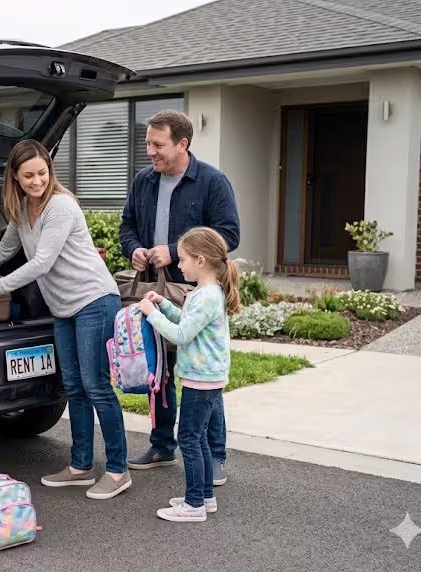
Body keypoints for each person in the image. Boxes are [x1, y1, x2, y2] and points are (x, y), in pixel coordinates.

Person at [0, 139, 131, 500]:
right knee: (75, 387)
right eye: (29, 176)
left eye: (42, 173)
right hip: (63, 308)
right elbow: (5, 250)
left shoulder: (60, 206)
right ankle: (80, 466)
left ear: (51, 172)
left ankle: (118, 470)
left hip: (94, 300)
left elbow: (41, 263)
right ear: (15, 179)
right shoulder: (21, 209)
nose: (37, 182)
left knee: (96, 386)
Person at [119, 109, 240, 486]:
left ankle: (214, 454)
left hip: (192, 291)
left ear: (182, 144)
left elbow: (229, 236)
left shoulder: (212, 182)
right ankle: (162, 445)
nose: (150, 152)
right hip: (155, 291)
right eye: (148, 144)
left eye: (158, 145)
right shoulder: (143, 180)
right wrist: (135, 249)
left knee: (202, 375)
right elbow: (127, 226)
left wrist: (173, 251)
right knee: (160, 371)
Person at [137, 227, 240, 522]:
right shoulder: (206, 293)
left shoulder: (206, 296)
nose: (178, 265)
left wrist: (150, 314)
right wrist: (164, 305)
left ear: (200, 260)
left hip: (202, 378)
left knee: (190, 439)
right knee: (200, 438)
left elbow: (181, 335)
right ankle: (205, 496)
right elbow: (187, 321)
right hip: (204, 376)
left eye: (182, 260)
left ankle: (193, 504)